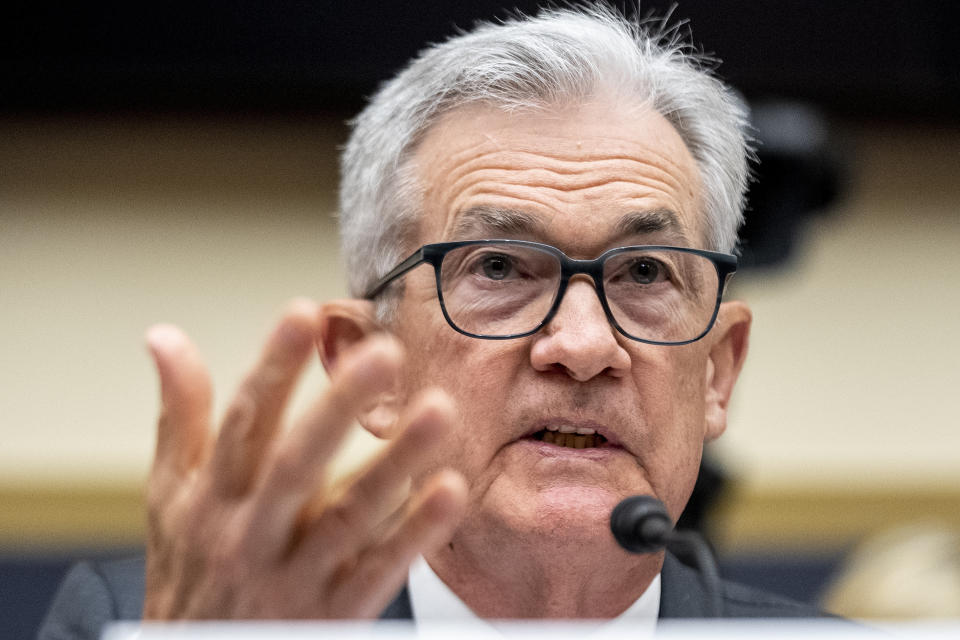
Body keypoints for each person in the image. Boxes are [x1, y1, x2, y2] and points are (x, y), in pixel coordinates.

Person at [40, 5, 825, 638]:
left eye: (645, 272)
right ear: (366, 366)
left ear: (718, 371)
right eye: (498, 267)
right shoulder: (150, 625)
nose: (584, 346)